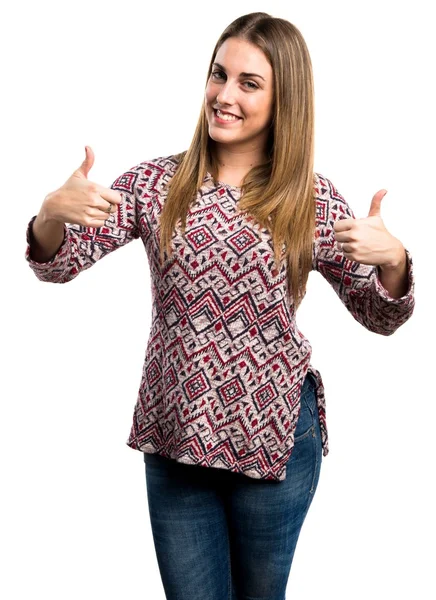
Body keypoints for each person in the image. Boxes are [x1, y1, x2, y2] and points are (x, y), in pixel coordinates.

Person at [24, 11, 415, 600]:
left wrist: (394, 262)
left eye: (249, 83)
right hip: (176, 432)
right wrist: (50, 214)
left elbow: (379, 314)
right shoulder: (157, 183)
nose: (224, 95)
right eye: (218, 75)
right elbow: (61, 263)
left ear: (286, 99)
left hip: (275, 433)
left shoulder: (309, 199)